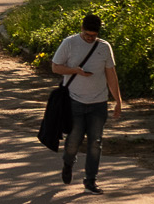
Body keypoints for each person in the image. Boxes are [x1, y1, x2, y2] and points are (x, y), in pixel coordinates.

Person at [50, 14, 124, 191]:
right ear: (81, 29)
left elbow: (111, 75)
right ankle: (68, 163)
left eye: (93, 35)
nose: (90, 38)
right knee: (74, 140)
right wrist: (74, 70)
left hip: (98, 103)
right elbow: (55, 67)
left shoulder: (104, 47)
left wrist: (118, 101)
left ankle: (90, 180)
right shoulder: (69, 43)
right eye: (87, 34)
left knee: (95, 142)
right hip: (74, 101)